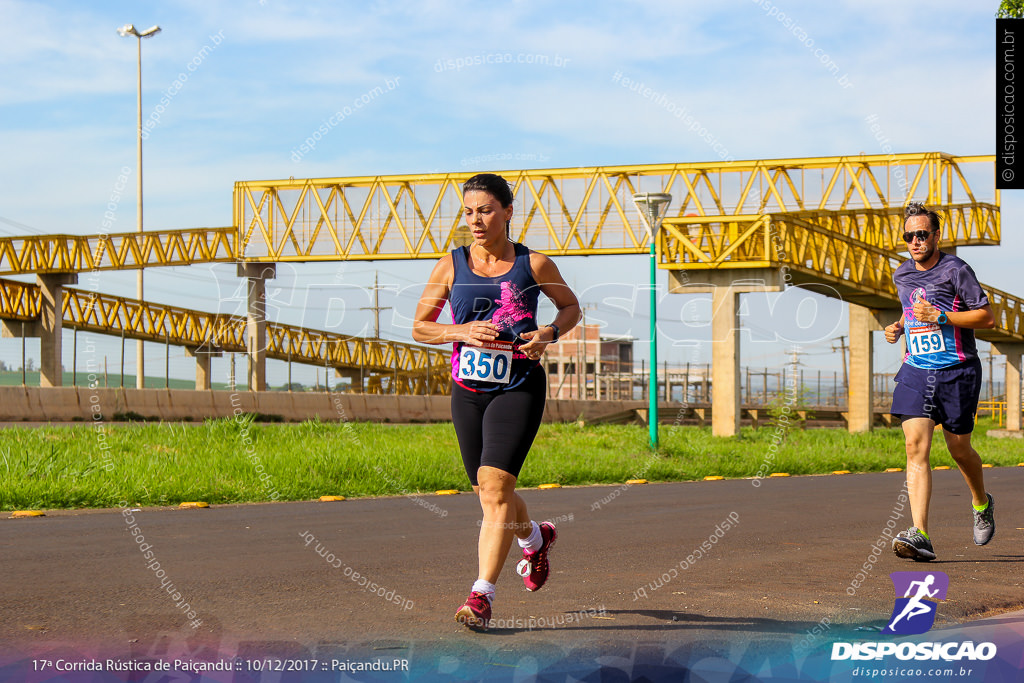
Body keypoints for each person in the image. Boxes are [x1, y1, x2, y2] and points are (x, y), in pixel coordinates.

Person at [412, 173, 581, 630]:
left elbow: (571, 309)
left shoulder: (535, 264)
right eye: (468, 212)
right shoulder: (451, 266)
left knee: (494, 487)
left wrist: (547, 334)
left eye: (485, 210)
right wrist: (460, 330)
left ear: (508, 211)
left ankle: (481, 595)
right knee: (490, 494)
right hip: (468, 390)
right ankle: (535, 538)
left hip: (519, 383)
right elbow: (420, 326)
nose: (476, 220)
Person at [883, 202, 996, 562]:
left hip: (958, 371)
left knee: (959, 449)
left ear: (935, 236)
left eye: (921, 234)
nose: (915, 241)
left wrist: (943, 316)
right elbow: (909, 305)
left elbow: (986, 317)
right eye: (909, 236)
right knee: (915, 445)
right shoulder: (902, 274)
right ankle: (921, 535)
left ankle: (981, 501)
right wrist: (899, 325)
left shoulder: (956, 270)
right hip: (917, 370)